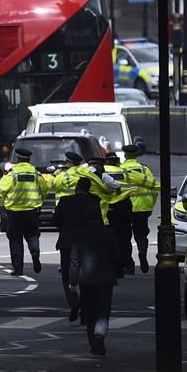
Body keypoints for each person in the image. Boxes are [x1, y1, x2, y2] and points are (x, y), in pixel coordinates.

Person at [69, 203, 122, 356]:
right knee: (103, 311)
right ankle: (99, 335)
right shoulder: (108, 232)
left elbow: (74, 260)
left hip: (86, 279)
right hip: (106, 278)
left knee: (89, 312)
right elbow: (117, 255)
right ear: (100, 216)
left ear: (87, 216)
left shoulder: (79, 234)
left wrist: (73, 280)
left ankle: (93, 342)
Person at [0, 147, 50, 276]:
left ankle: (18, 268)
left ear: (18, 159)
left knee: (15, 240)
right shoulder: (35, 173)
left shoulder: (12, 173)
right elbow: (45, 190)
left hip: (14, 213)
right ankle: (35, 252)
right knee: (32, 235)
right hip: (32, 211)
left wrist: (4, 203)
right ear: (28, 159)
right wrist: (39, 201)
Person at [53, 177, 99, 322]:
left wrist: (65, 229)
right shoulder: (93, 201)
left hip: (67, 243)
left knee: (67, 276)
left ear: (77, 187)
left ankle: (75, 302)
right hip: (88, 244)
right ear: (88, 188)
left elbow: (54, 220)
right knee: (86, 277)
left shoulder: (65, 201)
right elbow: (98, 222)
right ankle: (85, 309)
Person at [120, 144, 160, 273]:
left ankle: (129, 264)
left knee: (125, 236)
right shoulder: (144, 169)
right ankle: (142, 251)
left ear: (125, 155)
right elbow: (155, 188)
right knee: (141, 234)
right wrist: (151, 205)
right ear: (136, 155)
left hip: (125, 207)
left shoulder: (121, 169)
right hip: (143, 207)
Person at [104, 152, 135, 276]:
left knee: (109, 238)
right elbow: (146, 182)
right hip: (123, 207)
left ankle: (111, 265)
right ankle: (127, 264)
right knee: (125, 238)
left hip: (107, 207)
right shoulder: (125, 172)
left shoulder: (102, 173)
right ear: (117, 161)